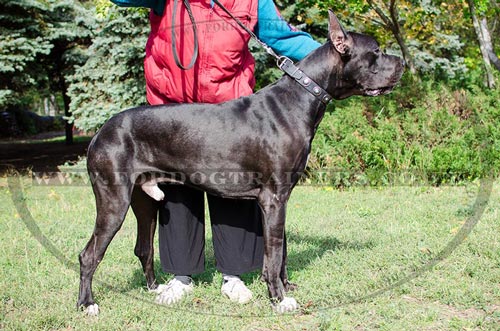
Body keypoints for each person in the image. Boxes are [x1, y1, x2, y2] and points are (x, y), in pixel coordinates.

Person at [143, 0, 321, 305]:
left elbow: (284, 38)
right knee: (178, 193)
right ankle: (180, 276)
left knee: (236, 189)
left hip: (229, 110)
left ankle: (235, 277)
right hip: (173, 110)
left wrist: (334, 57)